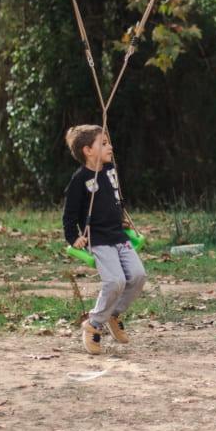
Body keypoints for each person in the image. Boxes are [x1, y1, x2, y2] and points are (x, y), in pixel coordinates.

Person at [62, 125, 147, 354]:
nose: (111, 147)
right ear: (88, 150)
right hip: (99, 239)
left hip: (118, 236)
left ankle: (113, 314)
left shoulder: (110, 170)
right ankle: (94, 324)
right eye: (104, 143)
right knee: (115, 281)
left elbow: (112, 201)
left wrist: (121, 220)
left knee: (138, 276)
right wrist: (74, 238)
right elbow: (69, 216)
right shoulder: (79, 180)